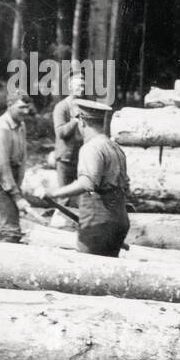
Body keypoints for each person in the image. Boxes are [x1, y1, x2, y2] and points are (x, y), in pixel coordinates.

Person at [46, 99, 131, 257]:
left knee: (88, 270)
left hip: (97, 223)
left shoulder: (91, 148)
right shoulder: (115, 147)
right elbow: (127, 186)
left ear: (82, 122)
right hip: (119, 221)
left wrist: (54, 193)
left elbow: (87, 183)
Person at [0, 92, 33, 243]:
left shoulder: (20, 125)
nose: (26, 112)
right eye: (21, 107)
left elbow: (22, 158)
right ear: (9, 105)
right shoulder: (0, 129)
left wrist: (18, 188)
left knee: (13, 224)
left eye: (28, 108)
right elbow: (0, 167)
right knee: (11, 230)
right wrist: (17, 197)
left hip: (10, 179)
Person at [51, 74, 85, 207]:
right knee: (64, 195)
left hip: (81, 157)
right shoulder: (62, 107)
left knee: (81, 195)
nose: (81, 89)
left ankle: (77, 223)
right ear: (70, 87)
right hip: (66, 158)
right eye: (78, 86)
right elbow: (60, 133)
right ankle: (61, 222)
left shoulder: (84, 105)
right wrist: (75, 120)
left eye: (83, 86)